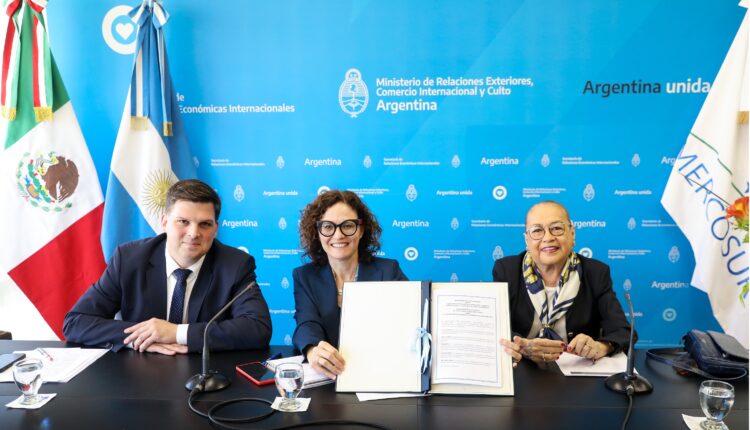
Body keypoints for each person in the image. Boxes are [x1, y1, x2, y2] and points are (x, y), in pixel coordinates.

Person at [63, 179, 272, 355]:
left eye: (205, 224)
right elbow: (76, 322)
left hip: (206, 374)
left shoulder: (235, 265)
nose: (193, 233)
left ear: (215, 229)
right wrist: (144, 335)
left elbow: (258, 329)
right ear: (164, 222)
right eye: (183, 221)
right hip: (139, 375)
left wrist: (176, 333)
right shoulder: (128, 259)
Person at [495, 200, 632, 365]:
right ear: (527, 240)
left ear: (572, 234)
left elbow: (623, 331)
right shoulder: (507, 271)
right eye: (537, 230)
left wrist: (600, 346)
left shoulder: (595, 273)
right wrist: (521, 346)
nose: (548, 238)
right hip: (523, 365)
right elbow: (494, 328)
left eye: (557, 228)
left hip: (577, 368)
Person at [293, 190, 408, 379]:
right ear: (318, 232)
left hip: (380, 373)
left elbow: (409, 321)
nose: (338, 235)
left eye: (347, 225)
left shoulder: (388, 270)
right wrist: (313, 350)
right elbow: (306, 323)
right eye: (328, 227)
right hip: (329, 377)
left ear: (361, 230)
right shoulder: (305, 276)